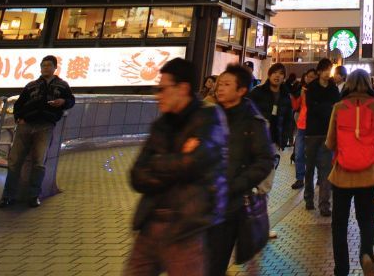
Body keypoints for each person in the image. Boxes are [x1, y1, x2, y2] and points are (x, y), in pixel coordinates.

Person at [124, 58, 227, 276]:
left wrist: (159, 163)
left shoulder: (210, 118)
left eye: (162, 88)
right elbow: (137, 176)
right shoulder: (161, 125)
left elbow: (197, 162)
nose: (157, 95)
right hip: (150, 223)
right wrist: (180, 158)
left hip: (186, 227)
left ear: (182, 88)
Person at [324, 70, 374, 276]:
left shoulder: (339, 107)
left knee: (339, 224)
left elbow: (330, 142)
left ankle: (341, 270)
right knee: (366, 219)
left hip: (342, 175)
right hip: (369, 174)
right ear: (369, 84)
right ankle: (366, 256)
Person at [208, 65, 275, 276]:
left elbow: (265, 159)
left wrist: (237, 185)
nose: (220, 88)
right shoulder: (208, 116)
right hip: (201, 201)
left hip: (231, 205)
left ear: (242, 90)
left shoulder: (253, 122)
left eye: (227, 84)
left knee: (215, 261)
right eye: (220, 83)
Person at [0, 55, 76, 208]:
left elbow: (71, 100)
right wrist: (19, 118)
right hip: (26, 125)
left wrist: (63, 102)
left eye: (49, 65)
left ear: (55, 68)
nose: (46, 68)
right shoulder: (31, 85)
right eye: (43, 65)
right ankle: (8, 196)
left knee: (39, 162)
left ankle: (34, 196)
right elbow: (19, 104)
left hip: (45, 125)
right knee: (14, 161)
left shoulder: (62, 85)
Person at [303, 58, 341, 214]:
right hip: (312, 132)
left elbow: (336, 107)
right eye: (324, 69)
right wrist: (327, 108)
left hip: (327, 132)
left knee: (326, 169)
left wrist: (322, 107)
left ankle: (324, 205)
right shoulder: (311, 87)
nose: (327, 73)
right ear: (319, 71)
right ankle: (308, 198)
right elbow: (312, 107)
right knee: (310, 167)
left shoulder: (333, 88)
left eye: (329, 69)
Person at [249, 63, 291, 152]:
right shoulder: (257, 92)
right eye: (274, 72)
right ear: (269, 75)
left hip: (275, 140)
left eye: (281, 73)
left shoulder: (285, 96)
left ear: (284, 78)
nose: (277, 75)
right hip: (256, 138)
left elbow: (288, 120)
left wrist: (283, 141)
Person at [290, 69, 316, 189]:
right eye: (308, 76)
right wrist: (295, 96)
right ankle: (300, 178)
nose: (310, 79)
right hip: (301, 126)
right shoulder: (302, 90)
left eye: (312, 77)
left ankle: (318, 178)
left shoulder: (319, 92)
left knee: (314, 155)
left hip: (315, 127)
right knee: (299, 153)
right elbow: (295, 106)